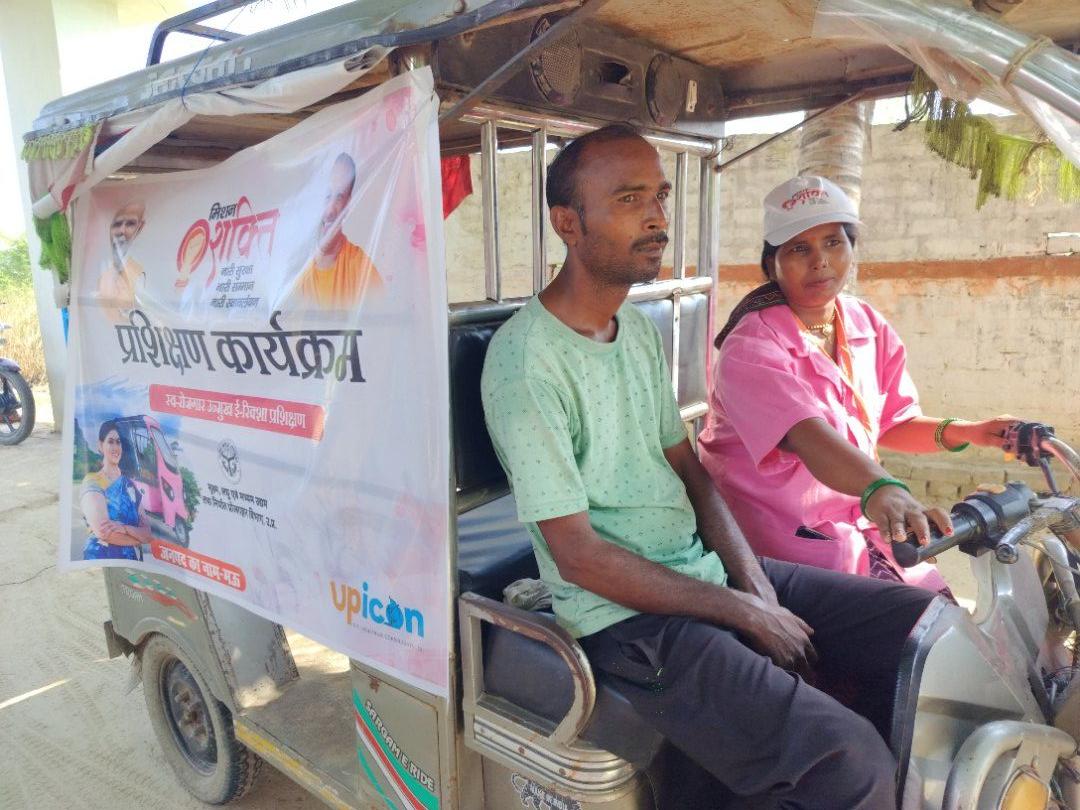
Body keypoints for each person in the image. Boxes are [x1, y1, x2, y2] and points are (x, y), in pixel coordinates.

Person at [481, 125, 935, 809]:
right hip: (624, 620)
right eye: (629, 199)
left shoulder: (633, 329)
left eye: (659, 197)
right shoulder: (526, 362)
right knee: (849, 763)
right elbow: (578, 557)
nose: (656, 218)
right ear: (567, 223)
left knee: (920, 629)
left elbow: (691, 471)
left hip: (701, 573)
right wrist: (743, 609)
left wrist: (752, 582)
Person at [696, 175, 1021, 595]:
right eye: (799, 249)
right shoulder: (752, 347)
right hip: (784, 545)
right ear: (772, 263)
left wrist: (972, 432)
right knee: (913, 625)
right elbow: (808, 437)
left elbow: (893, 423)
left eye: (834, 242)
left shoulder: (864, 323)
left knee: (943, 618)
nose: (821, 261)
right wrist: (882, 487)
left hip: (864, 525)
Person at [295, 152, 384, 309]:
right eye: (327, 195)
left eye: (339, 197)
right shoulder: (297, 270)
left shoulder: (360, 269)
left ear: (348, 204)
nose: (330, 211)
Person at [81, 419, 154, 561]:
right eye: (110, 442)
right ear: (101, 445)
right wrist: (138, 539)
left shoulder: (130, 485)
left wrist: (125, 529)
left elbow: (147, 534)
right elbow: (104, 534)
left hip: (132, 560)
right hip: (101, 557)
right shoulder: (92, 482)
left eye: (118, 442)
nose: (115, 447)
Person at [96, 201, 146, 323]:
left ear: (140, 227)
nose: (122, 231)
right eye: (117, 224)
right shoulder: (100, 267)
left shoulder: (140, 273)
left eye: (130, 224)